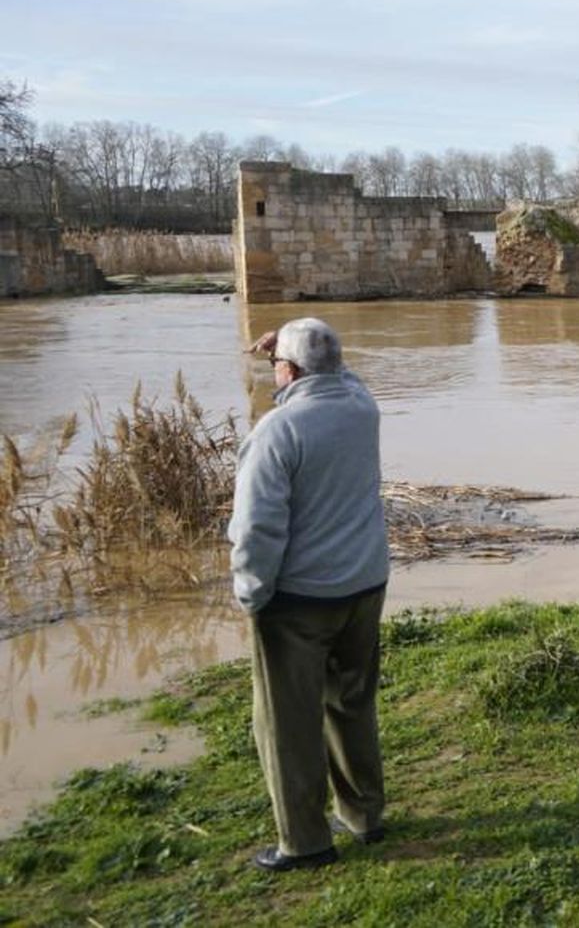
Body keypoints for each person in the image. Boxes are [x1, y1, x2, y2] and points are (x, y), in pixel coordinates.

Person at [229, 317, 390, 872]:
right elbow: (342, 377)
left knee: (286, 722)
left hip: (299, 601)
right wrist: (299, 349)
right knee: (351, 703)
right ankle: (364, 815)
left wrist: (251, 594)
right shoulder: (362, 408)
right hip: (365, 585)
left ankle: (304, 842)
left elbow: (256, 529)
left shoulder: (277, 431)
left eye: (278, 366)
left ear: (289, 371)